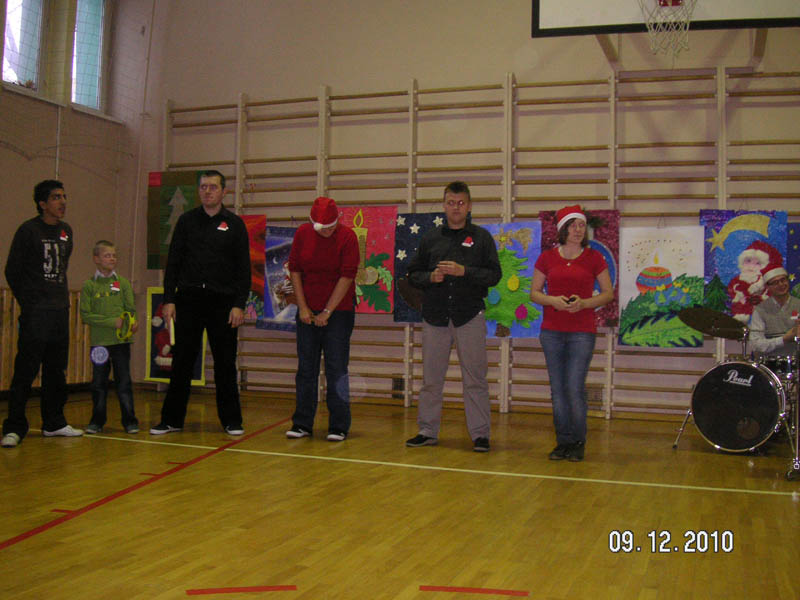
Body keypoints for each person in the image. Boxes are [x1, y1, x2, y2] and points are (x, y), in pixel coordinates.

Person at [149, 170, 251, 436]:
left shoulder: (235, 225)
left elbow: (244, 269)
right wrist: (169, 299)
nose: (207, 191)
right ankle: (171, 420)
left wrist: (239, 304)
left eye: (213, 187)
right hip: (189, 301)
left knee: (225, 363)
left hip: (223, 304)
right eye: (203, 187)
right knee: (182, 362)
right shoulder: (186, 222)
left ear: (224, 191)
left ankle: (231, 420)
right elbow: (173, 263)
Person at [405, 181, 502, 452]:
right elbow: (413, 274)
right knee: (431, 380)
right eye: (451, 203)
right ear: (444, 205)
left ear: (469, 206)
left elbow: (494, 275)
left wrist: (464, 271)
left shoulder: (482, 238)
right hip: (435, 317)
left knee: (475, 379)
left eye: (460, 203)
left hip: (469, 316)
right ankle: (427, 431)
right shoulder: (430, 238)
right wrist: (431, 277)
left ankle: (480, 435)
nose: (456, 208)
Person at [2, 180, 83, 448]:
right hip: (36, 313)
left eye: (64, 196)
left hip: (60, 311)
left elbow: (62, 267)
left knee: (56, 371)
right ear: (42, 203)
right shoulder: (28, 231)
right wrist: (30, 302)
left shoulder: (66, 231)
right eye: (56, 197)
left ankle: (54, 422)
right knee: (26, 370)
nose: (62, 202)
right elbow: (12, 270)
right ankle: (14, 427)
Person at [529, 205, 613, 462]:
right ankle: (562, 441)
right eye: (573, 225)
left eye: (581, 225)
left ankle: (578, 441)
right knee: (557, 390)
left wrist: (584, 303)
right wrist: (552, 300)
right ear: (562, 229)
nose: (578, 230)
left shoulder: (594, 258)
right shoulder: (547, 258)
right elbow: (534, 293)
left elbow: (607, 293)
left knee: (574, 388)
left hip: (581, 332)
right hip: (552, 331)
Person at [285, 196, 359, 442]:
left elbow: (347, 276)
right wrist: (303, 308)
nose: (326, 232)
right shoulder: (303, 234)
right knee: (306, 367)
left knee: (337, 368)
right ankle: (302, 423)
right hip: (307, 309)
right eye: (321, 228)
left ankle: (339, 425)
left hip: (339, 311)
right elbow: (295, 270)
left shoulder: (348, 237)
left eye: (330, 227)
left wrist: (327, 311)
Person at [79, 240, 139, 434]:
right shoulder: (89, 285)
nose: (112, 259)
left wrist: (132, 322)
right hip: (99, 344)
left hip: (121, 342)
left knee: (124, 382)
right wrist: (112, 322)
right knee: (98, 383)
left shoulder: (122, 283)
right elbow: (86, 315)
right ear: (96, 259)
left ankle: (130, 421)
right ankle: (97, 421)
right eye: (107, 255)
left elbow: (130, 310)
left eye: (114, 255)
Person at [749, 261, 799, 358]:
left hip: (796, 361)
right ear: (768, 287)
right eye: (775, 283)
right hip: (769, 363)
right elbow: (756, 344)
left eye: (783, 280)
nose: (781, 284)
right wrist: (783, 339)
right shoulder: (760, 310)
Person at [728, 241, 771, 324]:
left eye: (757, 263)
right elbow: (731, 292)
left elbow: (768, 294)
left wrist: (761, 298)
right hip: (741, 309)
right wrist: (738, 297)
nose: (751, 266)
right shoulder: (736, 280)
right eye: (748, 261)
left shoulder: (763, 281)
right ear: (742, 263)